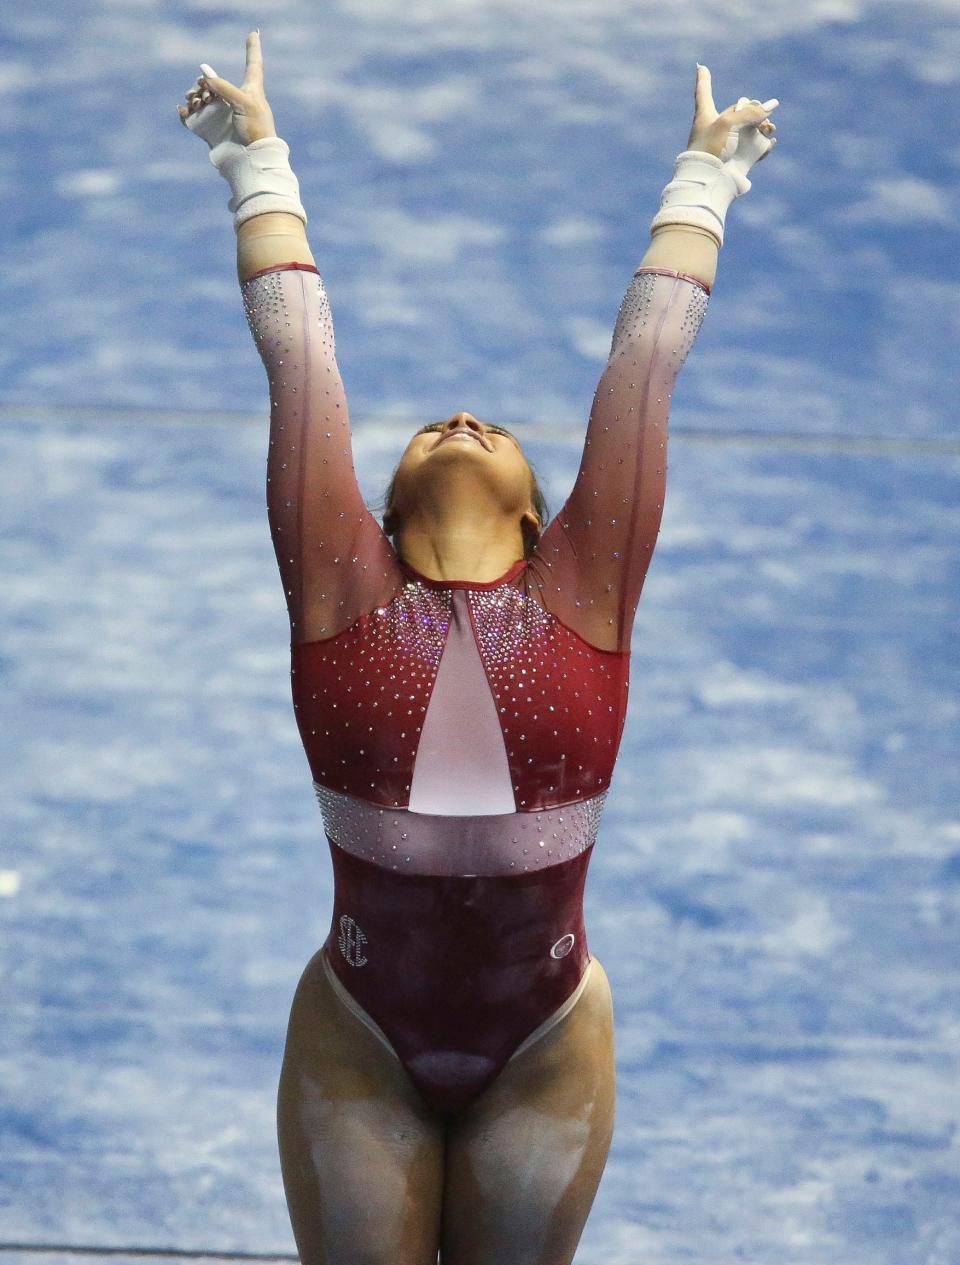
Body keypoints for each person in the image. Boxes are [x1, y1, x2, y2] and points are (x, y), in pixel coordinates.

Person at [178, 32, 778, 1265]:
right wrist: (256, 158)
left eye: (490, 427)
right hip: (359, 1029)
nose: (457, 417)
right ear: (380, 514)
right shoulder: (340, 589)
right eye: (432, 428)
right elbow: (301, 362)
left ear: (537, 516)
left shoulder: (587, 589)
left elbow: (645, 371)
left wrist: (705, 177)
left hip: (546, 1039)